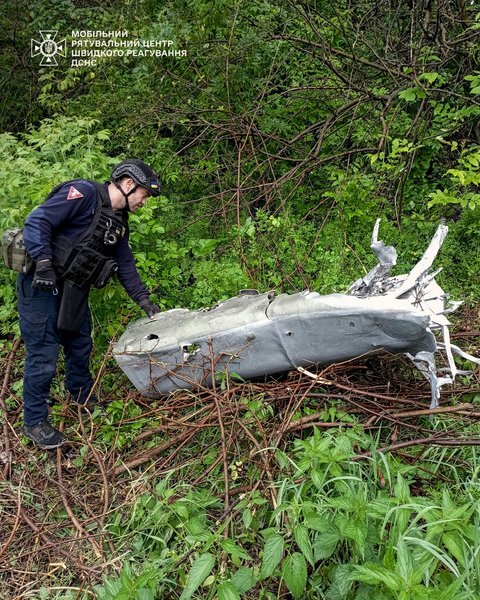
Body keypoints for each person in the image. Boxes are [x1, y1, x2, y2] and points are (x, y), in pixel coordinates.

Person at [18, 158, 161, 449]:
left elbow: (125, 263)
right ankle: (34, 422)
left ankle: (81, 397)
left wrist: (144, 301)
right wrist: (43, 262)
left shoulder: (118, 222)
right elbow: (38, 221)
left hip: (73, 288)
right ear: (128, 184)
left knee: (80, 344)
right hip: (41, 284)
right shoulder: (84, 194)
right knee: (44, 353)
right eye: (144, 194)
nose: (144, 202)